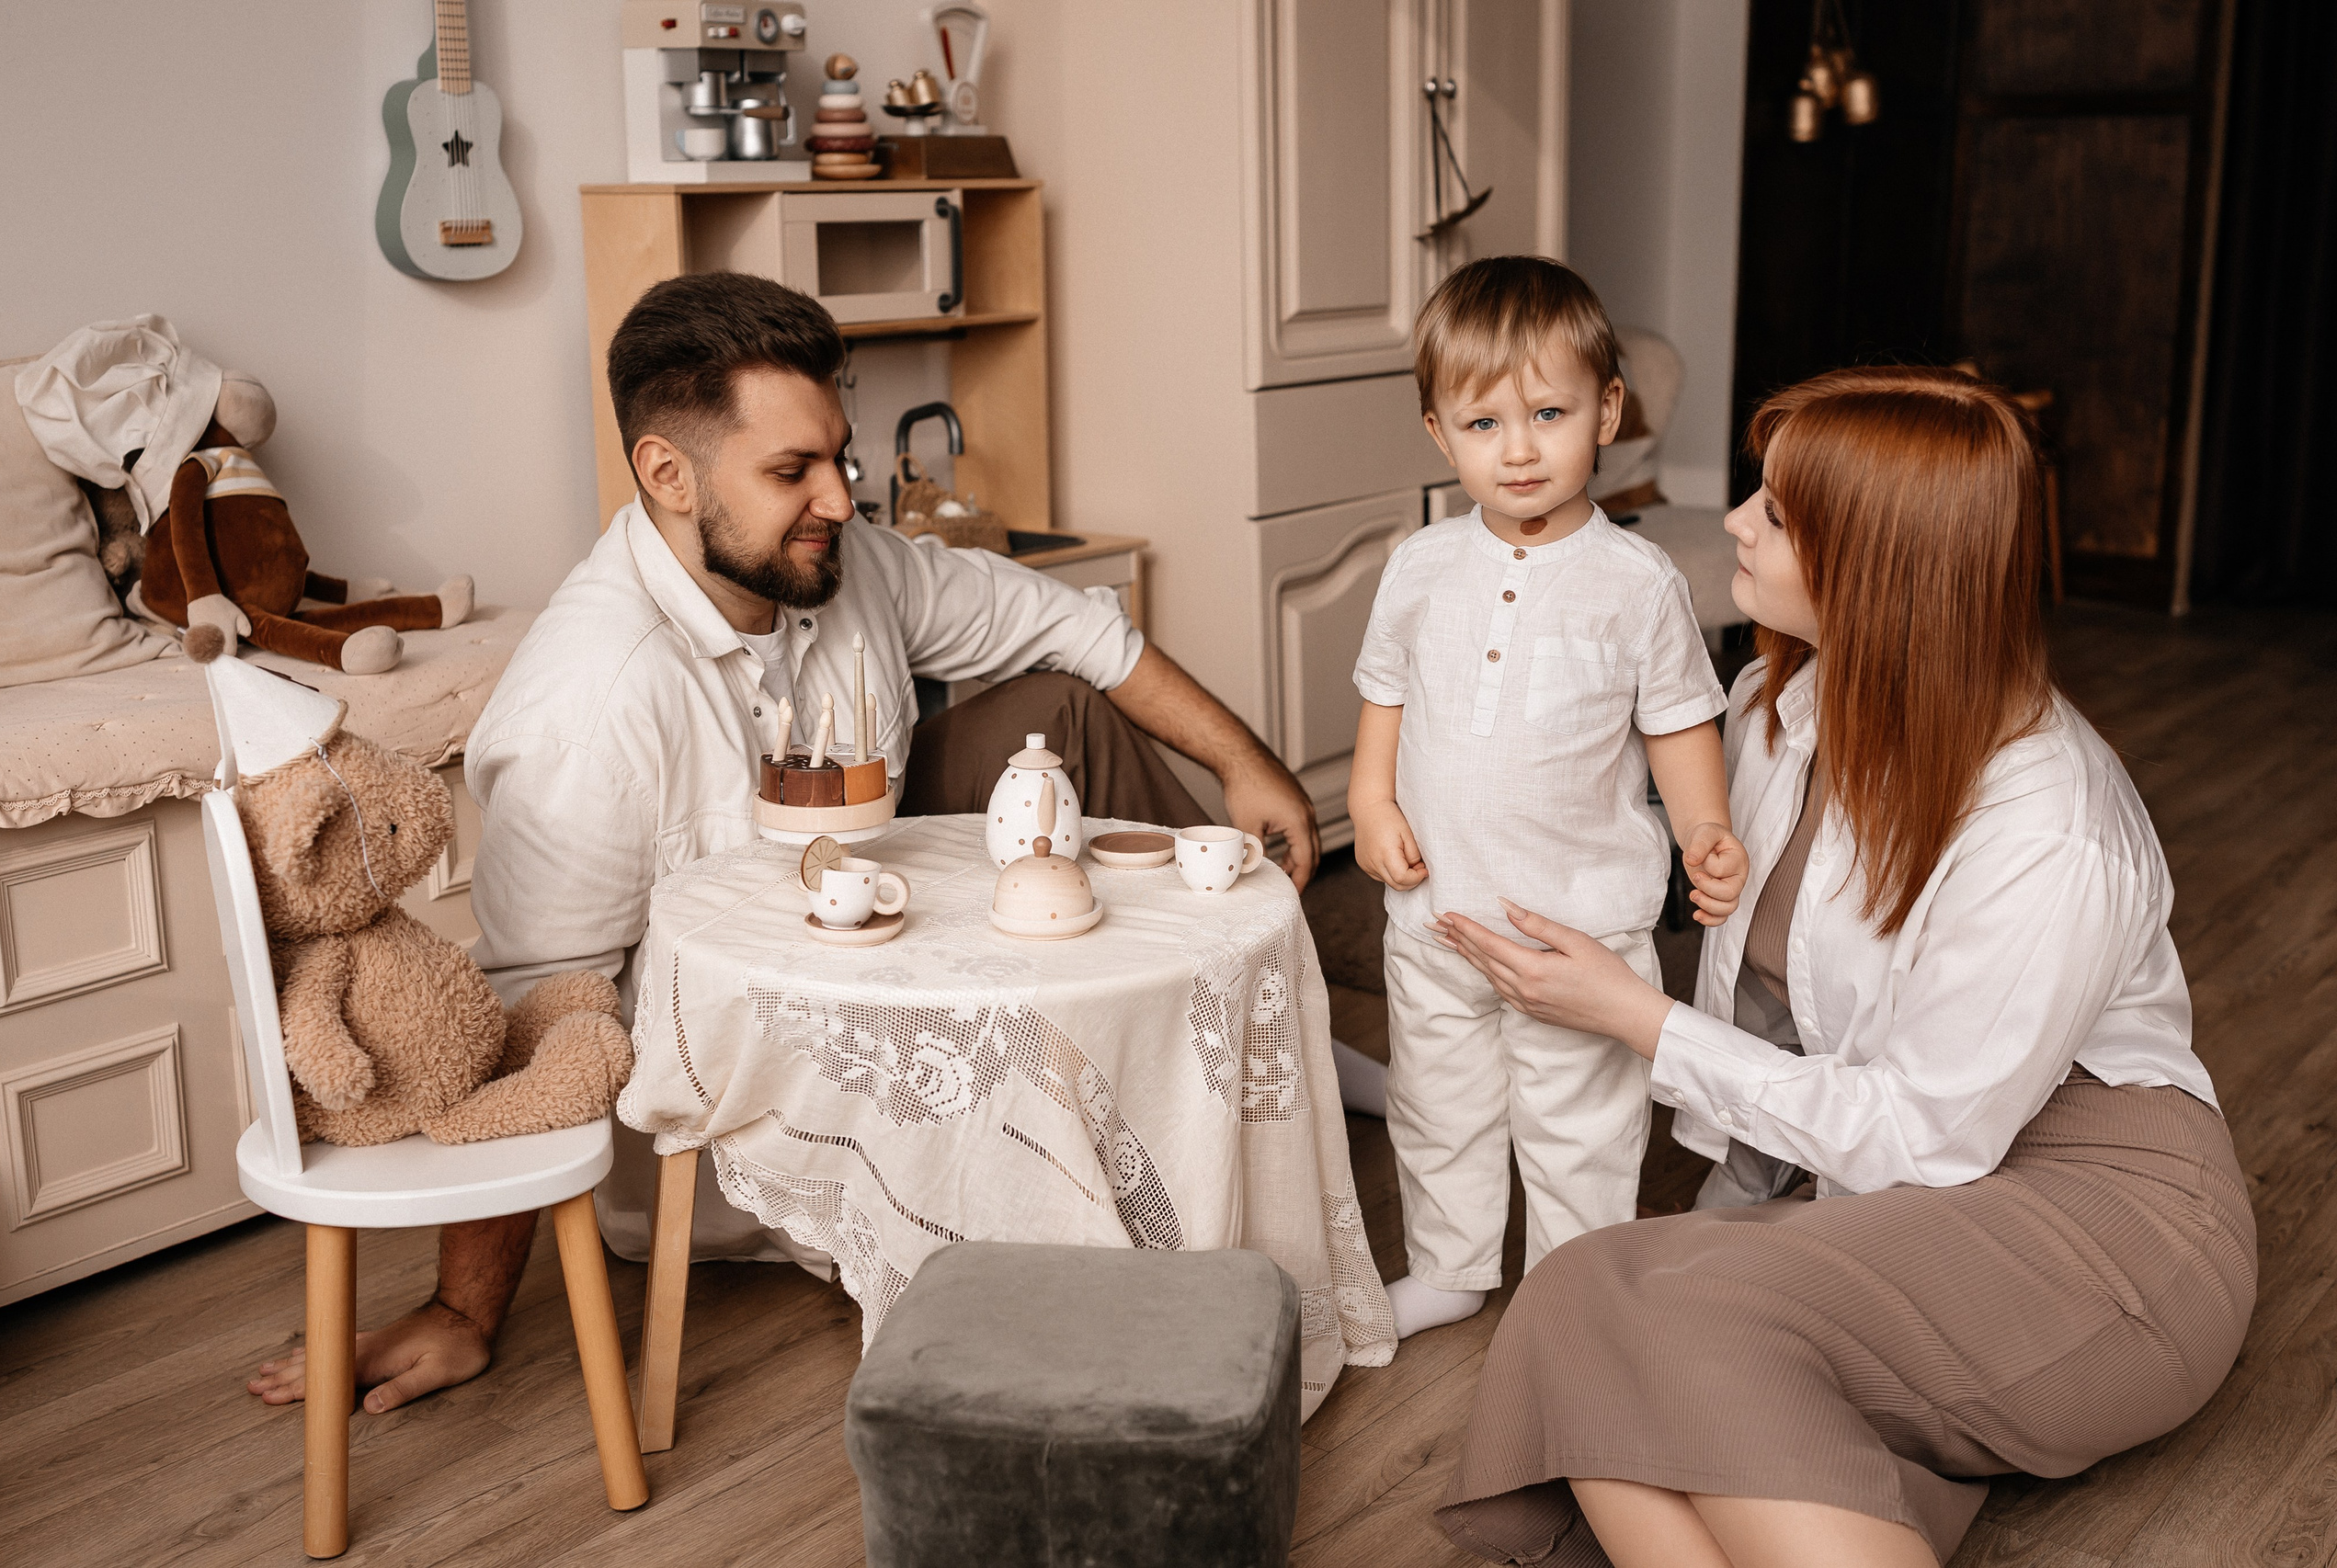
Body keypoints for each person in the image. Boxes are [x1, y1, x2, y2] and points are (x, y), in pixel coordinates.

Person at [248, 271, 1320, 1414]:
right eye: (790, 472)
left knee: (1058, 708)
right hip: (739, 1088)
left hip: (879, 928)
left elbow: (1068, 621)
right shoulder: (590, 709)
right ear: (668, 473)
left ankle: (1237, 1032)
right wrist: (466, 1308)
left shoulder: (838, 562)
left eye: (838, 459)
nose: (840, 500)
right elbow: (540, 1010)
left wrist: (1243, 761)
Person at [1429, 366, 2256, 1568]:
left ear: (1883, 566)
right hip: (1886, 1170)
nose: (1735, 522)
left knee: (1672, 1322)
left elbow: (1931, 1133)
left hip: (2098, 1216)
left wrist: (1639, 1019)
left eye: (1777, 511)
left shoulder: (2048, 823)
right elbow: (1772, 1005)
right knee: (1584, 1290)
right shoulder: (1781, 702)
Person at [1347, 256, 1748, 1341]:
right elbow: (1385, 690)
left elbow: (1675, 722)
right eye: (1482, 424)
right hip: (1437, 915)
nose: (1517, 449)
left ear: (1606, 411)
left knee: (1578, 1123)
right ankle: (1450, 1263)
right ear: (1439, 432)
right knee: (1441, 1105)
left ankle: (1574, 1294)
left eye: (1548, 413)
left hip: (1581, 928)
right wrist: (1369, 797)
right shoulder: (1420, 566)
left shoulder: (1637, 582)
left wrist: (1704, 827)